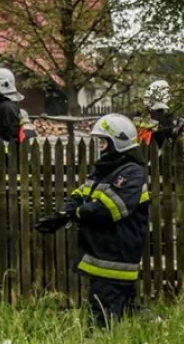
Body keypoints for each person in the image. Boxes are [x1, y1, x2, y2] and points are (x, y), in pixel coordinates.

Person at [35, 114, 150, 329]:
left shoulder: (132, 173)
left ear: (119, 142)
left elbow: (111, 208)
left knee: (105, 313)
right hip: (103, 252)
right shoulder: (104, 171)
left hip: (116, 256)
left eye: (104, 142)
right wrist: (64, 214)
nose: (101, 147)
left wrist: (76, 214)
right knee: (116, 310)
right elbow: (81, 194)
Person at [132, 80, 184, 149]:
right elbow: (143, 139)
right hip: (149, 154)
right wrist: (169, 130)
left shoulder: (168, 116)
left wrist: (179, 125)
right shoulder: (141, 117)